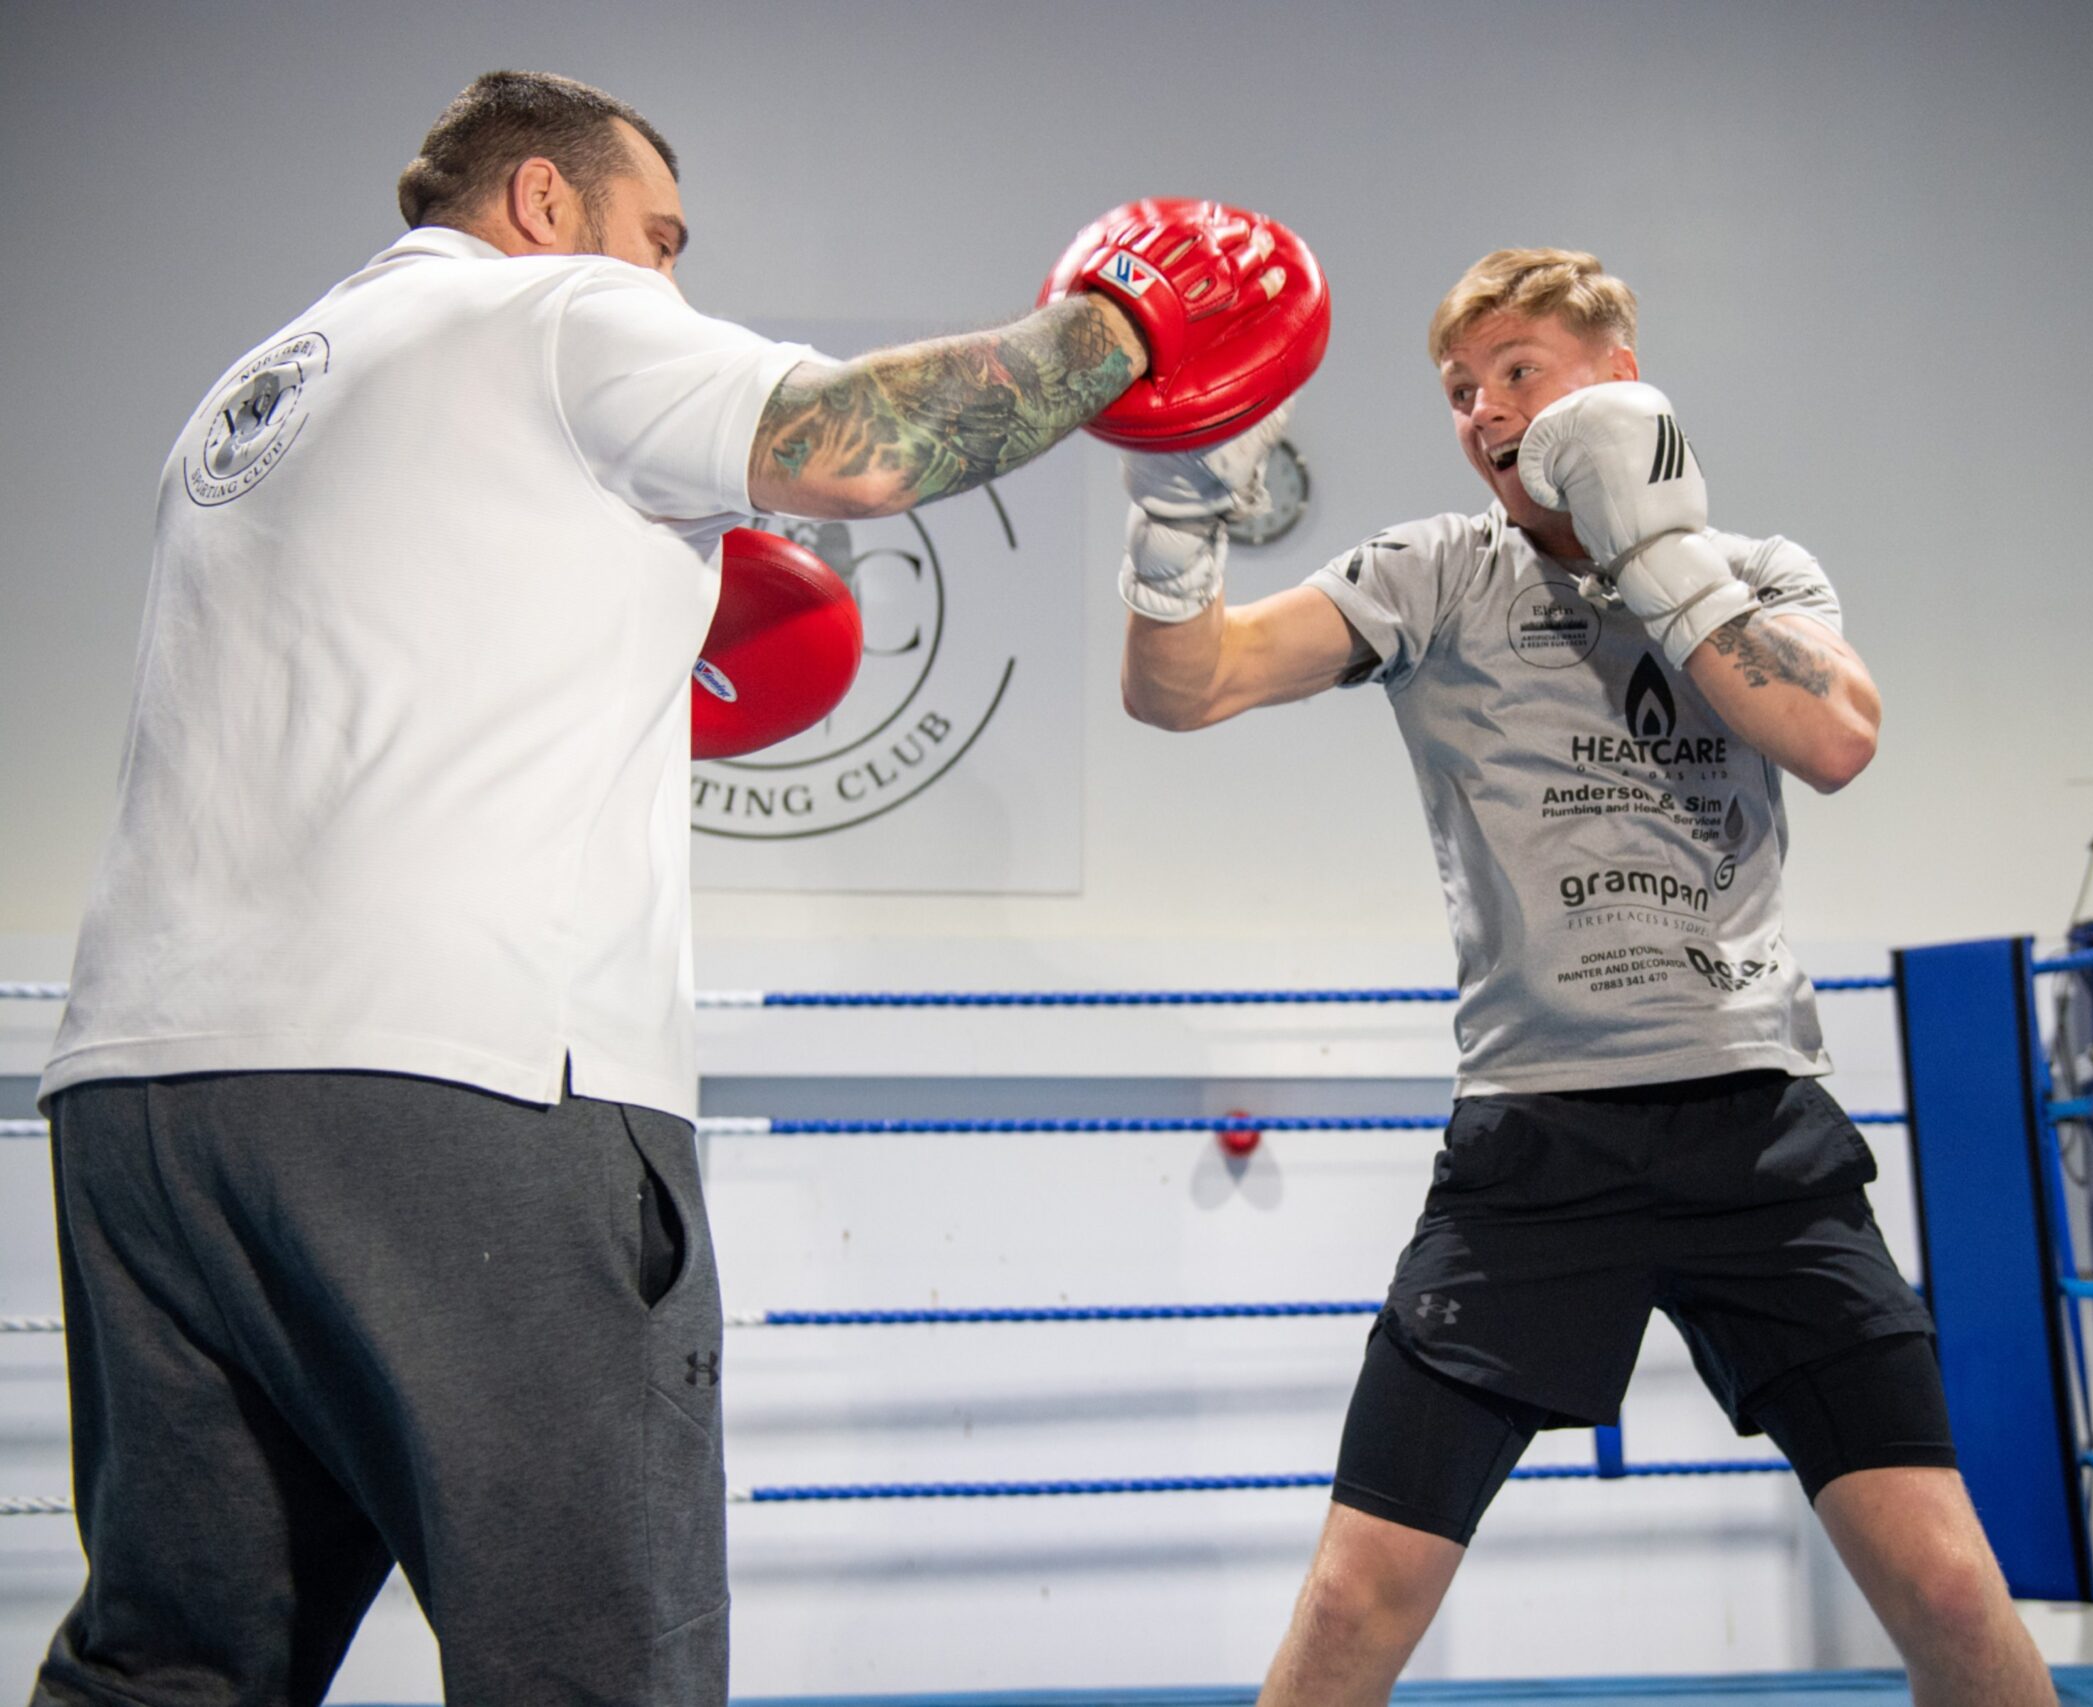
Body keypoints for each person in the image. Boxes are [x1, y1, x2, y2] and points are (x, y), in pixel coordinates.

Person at [29, 69, 1251, 1707]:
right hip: (458, 1082)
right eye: (657, 238)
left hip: (145, 1097)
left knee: (172, 1670)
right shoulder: (554, 318)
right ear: (544, 202)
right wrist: (1131, 324)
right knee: (593, 1668)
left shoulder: (254, 398)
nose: (666, 282)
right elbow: (870, 444)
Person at [1118, 249, 2058, 1707]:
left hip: (1758, 1130)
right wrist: (1177, 516)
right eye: (1459, 390)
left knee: (1944, 1579)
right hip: (1540, 1139)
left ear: (1619, 382)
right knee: (1359, 1595)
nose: (1486, 411)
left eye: (1519, 374)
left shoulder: (1762, 572)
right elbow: (1189, 688)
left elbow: (1839, 739)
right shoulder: (1433, 572)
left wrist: (1650, 538)